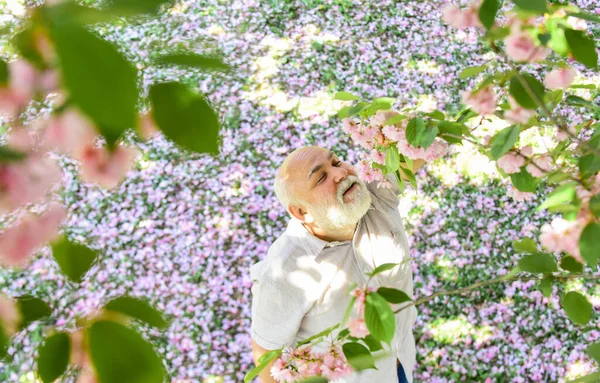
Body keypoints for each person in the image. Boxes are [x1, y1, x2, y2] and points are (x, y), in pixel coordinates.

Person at [250, 146, 420, 382]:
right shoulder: (285, 274)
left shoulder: (375, 194)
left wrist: (379, 121)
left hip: (402, 362)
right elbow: (267, 355)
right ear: (301, 212)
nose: (340, 174)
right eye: (321, 177)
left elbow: (416, 144)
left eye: (337, 162)